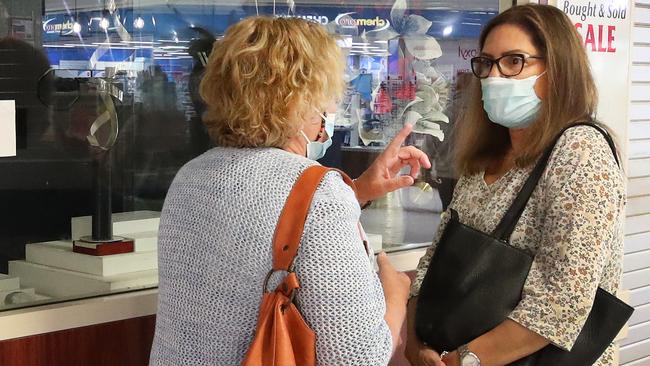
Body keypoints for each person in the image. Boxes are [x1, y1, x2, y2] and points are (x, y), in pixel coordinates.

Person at [149, 16, 432, 365]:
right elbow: (358, 358)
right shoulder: (318, 192)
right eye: (327, 97)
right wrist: (396, 294)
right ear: (299, 101)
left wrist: (356, 191)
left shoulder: (190, 177)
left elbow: (257, 229)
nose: (331, 110)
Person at [406, 5, 625, 366]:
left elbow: (560, 303)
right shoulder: (485, 158)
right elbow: (437, 256)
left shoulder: (580, 152)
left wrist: (463, 361)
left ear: (558, 70)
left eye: (514, 61)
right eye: (488, 63)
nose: (495, 76)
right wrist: (415, 342)